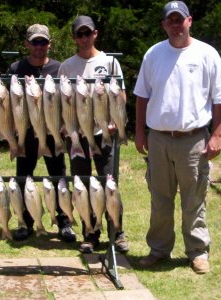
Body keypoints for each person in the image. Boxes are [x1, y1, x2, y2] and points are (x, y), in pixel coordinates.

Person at [134, 1, 221, 274]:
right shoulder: (153, 54)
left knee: (194, 198)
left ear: (189, 21)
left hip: (193, 138)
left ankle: (197, 252)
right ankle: (159, 249)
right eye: (170, 20)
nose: (175, 24)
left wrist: (217, 134)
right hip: (159, 138)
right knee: (160, 198)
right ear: (163, 24)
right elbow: (141, 97)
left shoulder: (208, 54)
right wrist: (139, 131)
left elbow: (218, 99)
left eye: (179, 19)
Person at [58, 16, 129, 254]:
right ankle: (90, 233)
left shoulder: (109, 63)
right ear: (74, 38)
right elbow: (59, 102)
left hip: (103, 134)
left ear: (95, 34)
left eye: (88, 33)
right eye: (80, 34)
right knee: (82, 184)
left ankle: (117, 233)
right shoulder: (66, 67)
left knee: (109, 183)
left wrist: (114, 122)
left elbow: (120, 96)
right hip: (77, 136)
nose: (84, 38)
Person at [7, 24, 76, 243]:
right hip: (25, 132)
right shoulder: (15, 68)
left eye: (43, 42)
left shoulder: (60, 68)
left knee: (59, 178)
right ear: (27, 43)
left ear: (49, 44)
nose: (39, 46)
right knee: (23, 178)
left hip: (53, 130)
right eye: (35, 42)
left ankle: (64, 223)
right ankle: (26, 222)